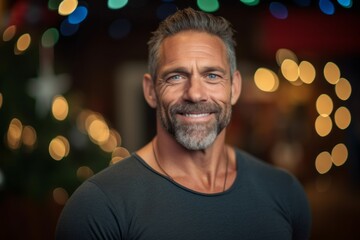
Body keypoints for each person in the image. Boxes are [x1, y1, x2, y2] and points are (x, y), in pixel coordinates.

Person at [56, 7, 311, 240]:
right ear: (150, 91)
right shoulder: (98, 206)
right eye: (176, 76)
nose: (195, 93)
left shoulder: (283, 191)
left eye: (212, 75)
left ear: (234, 88)